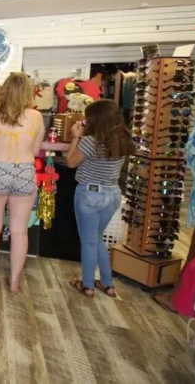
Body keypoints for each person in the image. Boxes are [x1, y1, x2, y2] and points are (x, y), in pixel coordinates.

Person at [0, 73, 43, 292]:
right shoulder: (36, 117)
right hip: (24, 171)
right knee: (19, 231)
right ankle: (14, 281)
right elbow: (35, 150)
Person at [66, 99, 134, 298]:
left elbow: (70, 162)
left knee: (89, 242)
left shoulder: (90, 141)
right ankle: (107, 283)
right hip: (112, 193)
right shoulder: (124, 140)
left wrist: (75, 137)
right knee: (97, 238)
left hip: (90, 194)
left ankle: (87, 285)